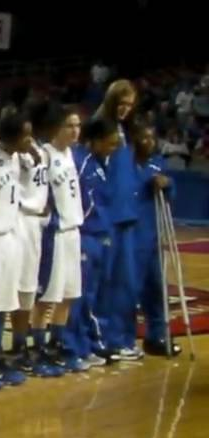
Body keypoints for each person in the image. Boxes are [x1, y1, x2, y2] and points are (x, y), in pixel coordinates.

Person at [0, 108, 33, 386]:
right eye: (25, 135)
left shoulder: (17, 159)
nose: (30, 140)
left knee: (3, 301)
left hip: (10, 234)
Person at [94, 80, 143, 362]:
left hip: (127, 215)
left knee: (126, 283)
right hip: (108, 217)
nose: (125, 109)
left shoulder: (126, 131)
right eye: (121, 104)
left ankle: (123, 339)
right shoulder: (102, 129)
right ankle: (106, 341)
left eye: (129, 104)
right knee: (107, 283)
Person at [36, 105, 87, 371]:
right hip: (54, 232)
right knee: (47, 298)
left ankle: (56, 346)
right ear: (57, 127)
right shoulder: (44, 154)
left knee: (68, 296)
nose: (75, 130)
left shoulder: (72, 155)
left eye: (78, 125)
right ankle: (37, 349)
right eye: (70, 125)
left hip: (73, 231)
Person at [12, 100, 58, 378]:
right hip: (17, 219)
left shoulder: (44, 152)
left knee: (29, 287)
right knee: (13, 288)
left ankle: (21, 344)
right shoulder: (16, 153)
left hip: (36, 225)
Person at [74, 118, 122, 368]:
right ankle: (79, 346)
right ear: (95, 140)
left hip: (102, 234)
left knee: (99, 292)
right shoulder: (79, 161)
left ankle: (95, 342)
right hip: (86, 234)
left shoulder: (101, 163)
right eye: (110, 144)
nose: (113, 149)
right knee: (83, 295)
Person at [132, 123, 180, 357]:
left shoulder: (157, 163)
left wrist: (167, 184)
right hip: (131, 238)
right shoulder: (127, 164)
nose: (148, 141)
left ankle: (157, 336)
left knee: (156, 290)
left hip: (152, 238)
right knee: (130, 291)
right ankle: (124, 338)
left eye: (152, 137)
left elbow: (172, 190)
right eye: (144, 136)